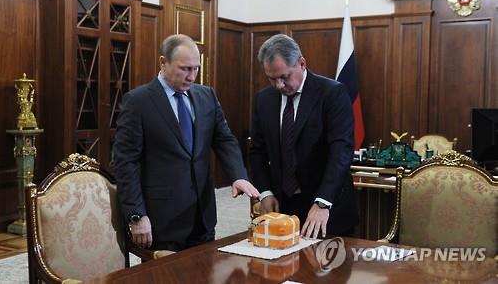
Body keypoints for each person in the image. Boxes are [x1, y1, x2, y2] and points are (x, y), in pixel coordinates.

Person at [113, 34, 259, 251]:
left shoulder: (206, 95)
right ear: (163, 62)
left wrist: (237, 175)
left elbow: (224, 139)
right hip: (162, 219)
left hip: (203, 215)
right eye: (185, 69)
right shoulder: (138, 102)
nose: (192, 77)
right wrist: (136, 215)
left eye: (196, 69)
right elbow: (126, 163)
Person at [249, 34, 358, 239]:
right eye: (272, 78)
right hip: (283, 206)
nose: (279, 85)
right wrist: (265, 192)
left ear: (302, 63)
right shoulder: (263, 99)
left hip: (326, 206)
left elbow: (341, 152)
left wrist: (323, 202)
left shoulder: (332, 93)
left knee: (328, 268)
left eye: (284, 77)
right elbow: (258, 151)